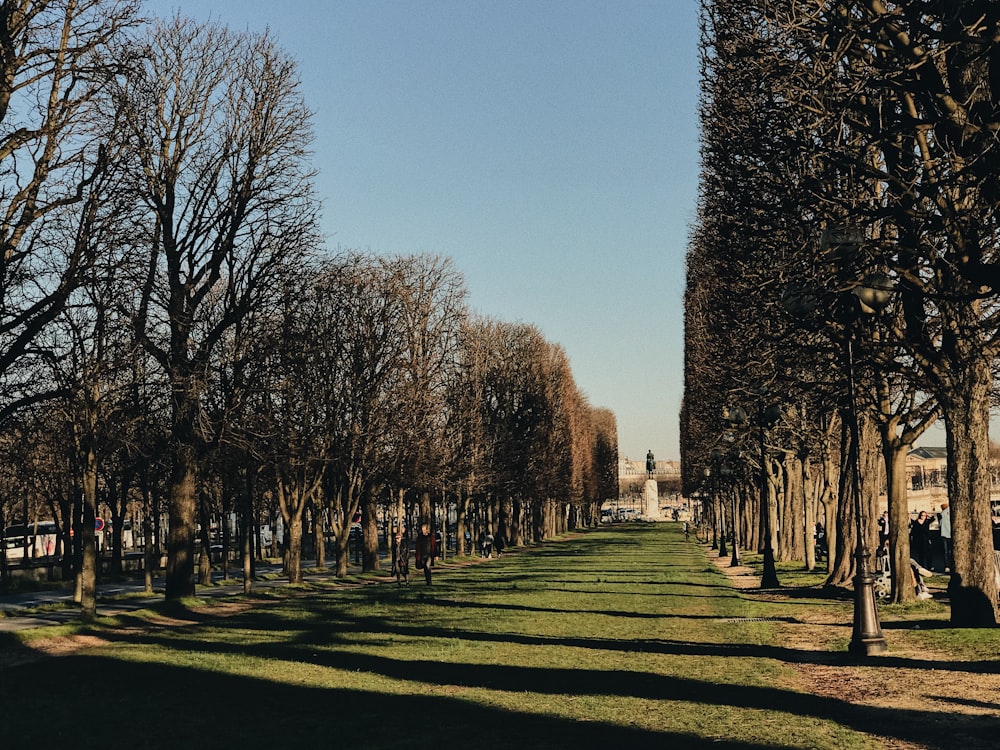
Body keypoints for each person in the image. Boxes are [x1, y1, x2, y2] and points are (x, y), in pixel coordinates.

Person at [939, 503, 952, 572]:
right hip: (946, 534)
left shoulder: (941, 515)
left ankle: (947, 566)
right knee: (946, 551)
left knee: (946, 552)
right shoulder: (943, 514)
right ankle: (947, 565)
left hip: (944, 534)